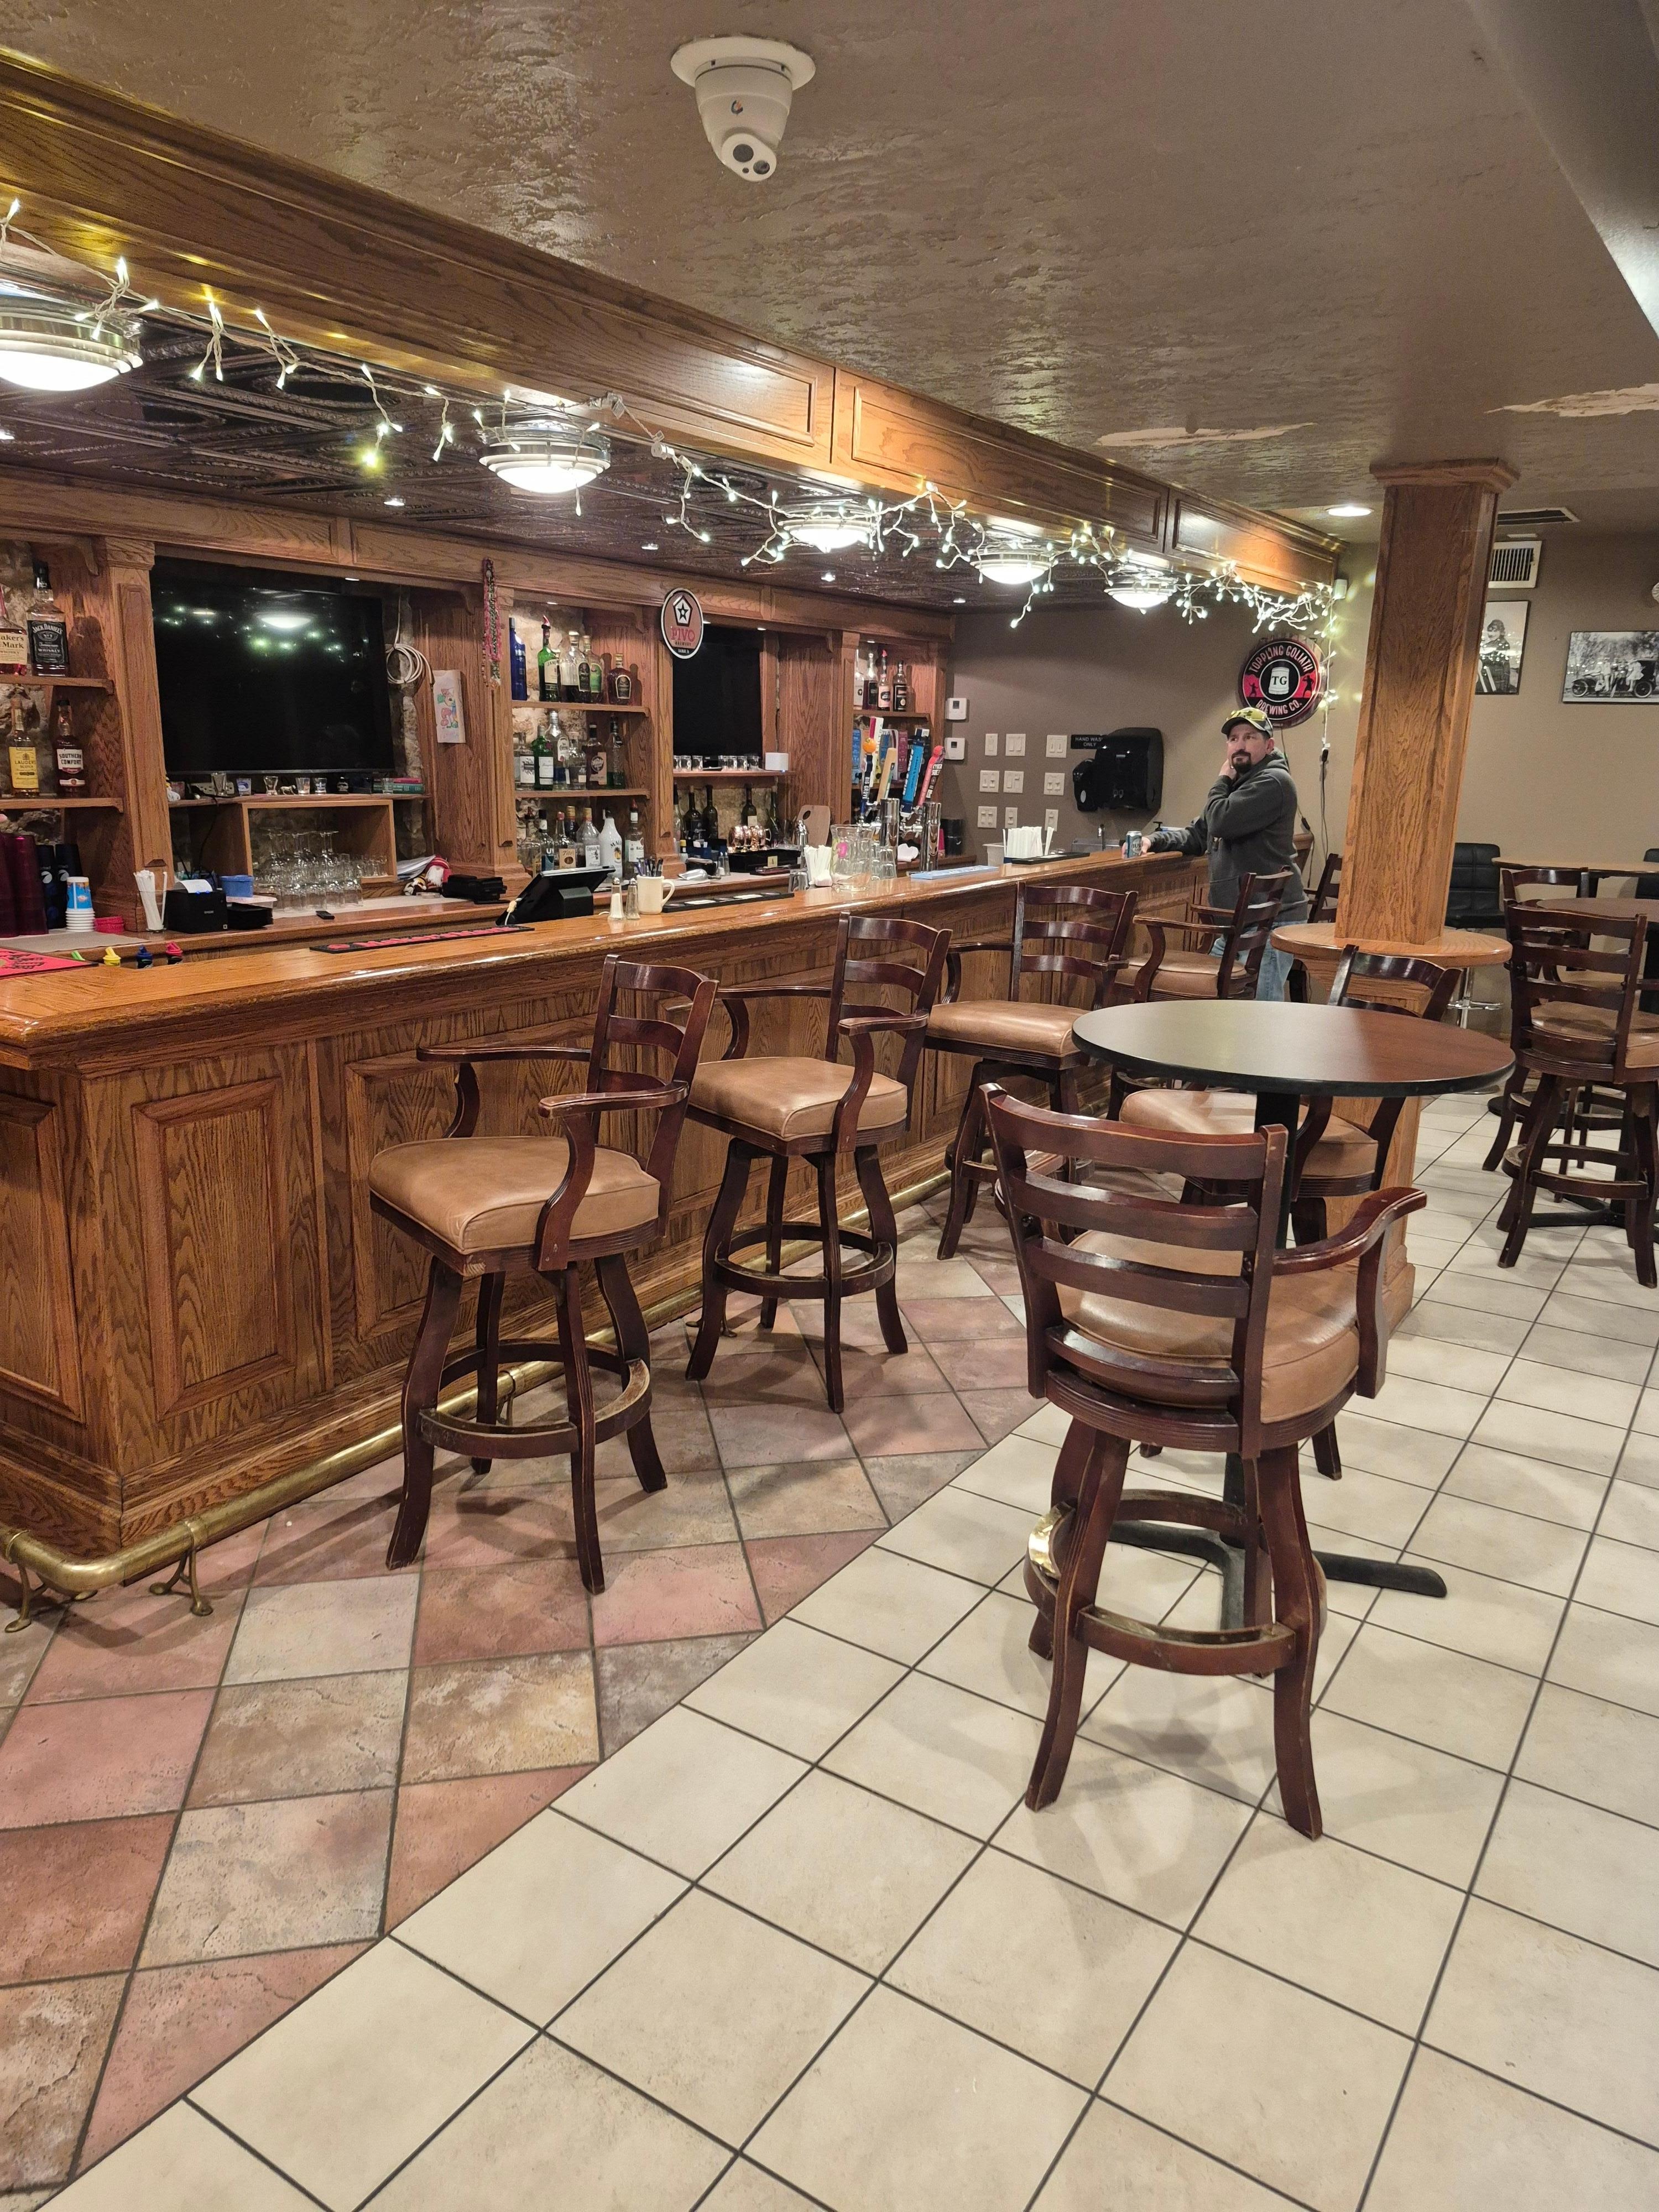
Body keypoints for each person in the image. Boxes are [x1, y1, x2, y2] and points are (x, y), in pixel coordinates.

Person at [1146, 706, 1308, 998]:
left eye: (1250, 737)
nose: (1240, 744)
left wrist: (1221, 780)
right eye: (1234, 738)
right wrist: (1154, 841)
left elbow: (1221, 820)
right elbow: (1200, 833)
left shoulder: (1273, 782)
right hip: (1237, 923)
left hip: (1269, 921)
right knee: (1225, 1013)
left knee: (1260, 1014)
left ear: (1269, 745)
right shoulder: (1240, 785)